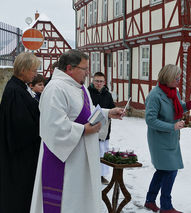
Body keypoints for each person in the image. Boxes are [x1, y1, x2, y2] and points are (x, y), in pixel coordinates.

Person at [30, 49, 124, 213]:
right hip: (66, 160)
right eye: (84, 68)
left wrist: (108, 113)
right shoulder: (55, 88)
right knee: (68, 201)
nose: (88, 73)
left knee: (81, 200)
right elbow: (53, 126)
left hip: (82, 155)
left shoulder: (79, 87)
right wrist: (83, 130)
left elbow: (88, 112)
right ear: (69, 68)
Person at [144, 64, 191, 213]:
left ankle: (150, 201)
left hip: (171, 138)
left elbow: (179, 107)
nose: (179, 80)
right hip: (159, 139)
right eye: (176, 78)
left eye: (179, 78)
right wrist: (172, 126)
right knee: (171, 170)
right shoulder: (155, 95)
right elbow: (150, 120)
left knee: (162, 171)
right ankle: (166, 206)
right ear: (168, 78)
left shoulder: (173, 92)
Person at [0, 52, 41, 213]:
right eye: (33, 70)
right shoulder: (15, 91)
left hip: (23, 152)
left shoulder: (19, 87)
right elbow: (21, 126)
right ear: (23, 70)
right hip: (20, 155)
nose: (36, 74)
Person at [88, 72, 115, 185]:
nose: (99, 84)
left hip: (104, 128)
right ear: (93, 81)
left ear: (104, 83)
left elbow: (112, 109)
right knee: (91, 152)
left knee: (102, 153)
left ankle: (101, 175)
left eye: (101, 81)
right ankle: (90, 175)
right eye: (97, 81)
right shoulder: (88, 93)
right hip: (90, 127)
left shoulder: (107, 94)